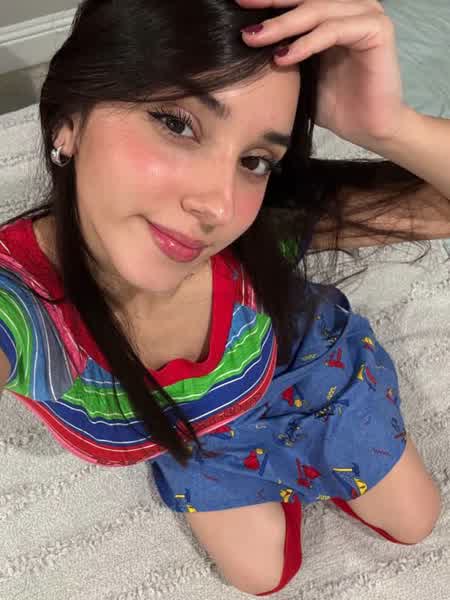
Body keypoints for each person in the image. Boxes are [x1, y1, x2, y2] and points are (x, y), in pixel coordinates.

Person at [0, 0, 448, 596]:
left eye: (255, 161)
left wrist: (387, 126)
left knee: (417, 520)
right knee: (261, 574)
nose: (218, 205)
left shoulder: (258, 231)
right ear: (69, 121)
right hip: (199, 436)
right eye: (177, 123)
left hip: (306, 371)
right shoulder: (19, 306)